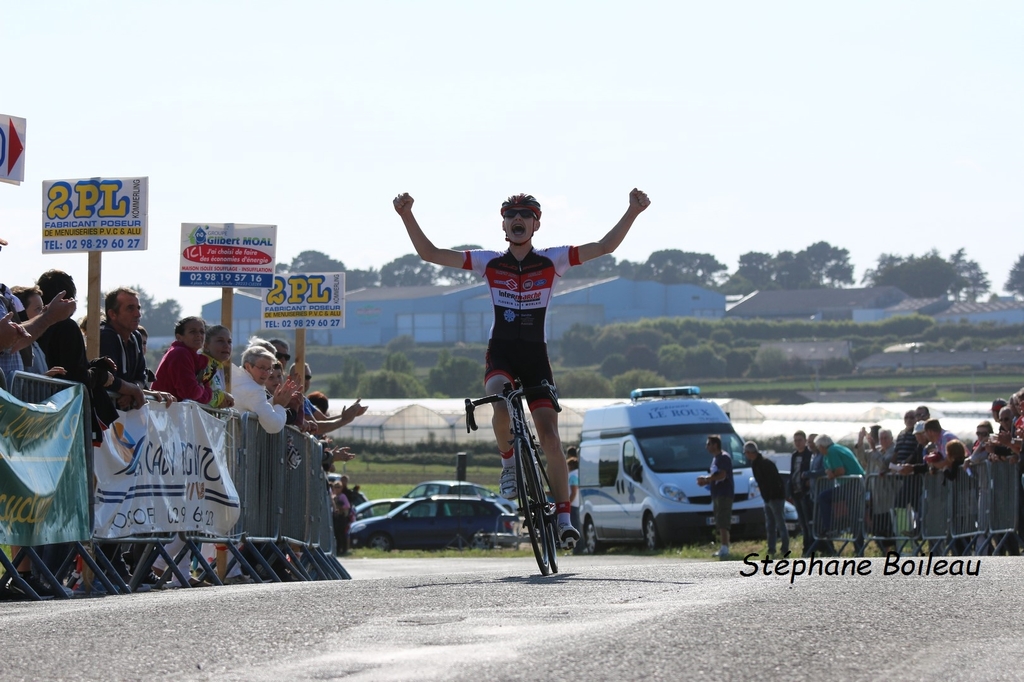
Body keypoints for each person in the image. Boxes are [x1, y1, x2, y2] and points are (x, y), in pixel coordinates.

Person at [394, 188, 651, 549]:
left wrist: (632, 211)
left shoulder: (553, 260)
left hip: (535, 357)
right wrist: (407, 215)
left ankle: (563, 517)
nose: (518, 219)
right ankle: (509, 465)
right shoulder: (489, 262)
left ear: (536, 223)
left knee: (550, 437)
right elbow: (430, 254)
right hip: (500, 352)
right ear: (503, 223)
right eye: (511, 214)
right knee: (499, 402)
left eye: (525, 214)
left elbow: (605, 245)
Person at [99, 287, 173, 409]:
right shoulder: (105, 336)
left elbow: (141, 376)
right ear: (112, 314)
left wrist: (133, 390)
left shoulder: (136, 337)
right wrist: (134, 390)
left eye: (138, 308)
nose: (137, 314)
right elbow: (107, 378)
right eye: (130, 308)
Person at [813, 434, 866, 555]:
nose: (818, 449)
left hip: (852, 485)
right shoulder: (838, 448)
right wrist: (829, 472)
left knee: (853, 516)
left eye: (818, 447)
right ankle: (857, 547)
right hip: (852, 484)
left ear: (822, 446)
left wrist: (832, 474)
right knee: (854, 516)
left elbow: (840, 470)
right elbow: (830, 469)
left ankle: (831, 527)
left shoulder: (831, 451)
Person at [231, 346, 300, 433]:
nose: (266, 373)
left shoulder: (237, 380)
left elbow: (258, 406)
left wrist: (275, 400)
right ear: (248, 367)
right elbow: (274, 425)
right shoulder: (253, 390)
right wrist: (280, 405)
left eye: (269, 369)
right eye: (262, 368)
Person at [152, 317, 213, 403]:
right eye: (193, 331)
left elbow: (208, 395)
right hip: (164, 412)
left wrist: (199, 389)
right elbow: (190, 393)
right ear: (179, 337)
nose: (199, 335)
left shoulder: (197, 359)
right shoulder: (179, 354)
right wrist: (201, 388)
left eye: (202, 332)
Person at [744, 441, 789, 558]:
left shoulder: (764, 463)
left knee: (780, 523)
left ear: (749, 452)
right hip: (768, 498)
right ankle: (771, 548)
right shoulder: (756, 463)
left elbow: (773, 481)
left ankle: (785, 548)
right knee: (770, 525)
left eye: (746, 452)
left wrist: (771, 496)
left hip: (775, 497)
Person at [10, 285, 65, 378]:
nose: (43, 312)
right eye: (38, 309)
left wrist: (45, 377)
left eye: (43, 307)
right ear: (21, 312)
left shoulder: (35, 345)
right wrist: (44, 377)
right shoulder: (14, 345)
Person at [697, 435, 734, 559]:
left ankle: (725, 548)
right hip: (717, 493)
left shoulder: (723, 457)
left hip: (724, 493)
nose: (706, 447)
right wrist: (706, 481)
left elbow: (722, 474)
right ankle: (723, 546)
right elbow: (715, 475)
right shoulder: (715, 459)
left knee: (723, 521)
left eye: (708, 444)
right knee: (719, 520)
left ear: (715, 445)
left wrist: (707, 479)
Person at [789, 430, 814, 554]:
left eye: (800, 440)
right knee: (802, 523)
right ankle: (806, 547)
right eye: (795, 441)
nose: (798, 443)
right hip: (796, 491)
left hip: (805, 492)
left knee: (808, 521)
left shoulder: (809, 455)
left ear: (805, 441)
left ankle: (810, 546)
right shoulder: (794, 456)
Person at [198, 325, 234, 409]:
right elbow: (197, 395)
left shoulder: (217, 366)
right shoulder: (202, 364)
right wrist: (222, 397)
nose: (226, 346)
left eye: (229, 342)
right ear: (206, 346)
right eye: (220, 341)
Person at [566, 446, 583, 555]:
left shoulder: (572, 475)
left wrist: (568, 503)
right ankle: (578, 548)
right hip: (577, 503)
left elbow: (574, 492)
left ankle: (578, 549)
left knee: (575, 527)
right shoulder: (577, 473)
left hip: (573, 504)